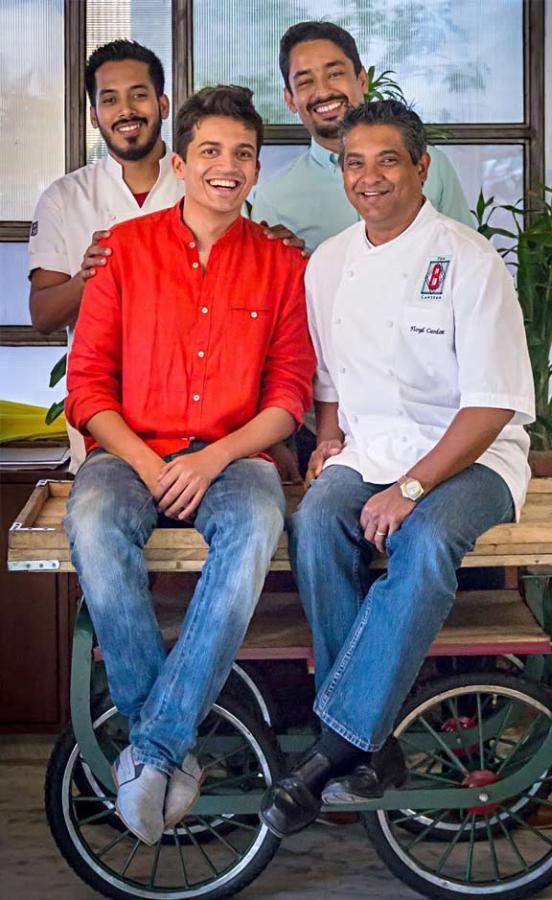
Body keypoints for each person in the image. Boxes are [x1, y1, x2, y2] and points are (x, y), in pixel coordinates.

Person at [260, 99, 535, 838]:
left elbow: (489, 407)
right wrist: (327, 442)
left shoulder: (469, 260)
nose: (370, 177)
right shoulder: (330, 263)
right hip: (370, 447)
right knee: (315, 520)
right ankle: (371, 749)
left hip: (472, 457)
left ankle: (337, 746)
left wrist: (412, 489)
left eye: (388, 160)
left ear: (420, 167)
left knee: (423, 541)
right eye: (355, 163)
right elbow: (330, 383)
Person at [63, 85, 316, 846]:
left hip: (234, 456)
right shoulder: (125, 252)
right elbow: (87, 387)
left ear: (257, 169)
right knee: (94, 517)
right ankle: (164, 744)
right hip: (129, 452)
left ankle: (153, 747)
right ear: (180, 162)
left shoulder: (280, 265)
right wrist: (144, 461)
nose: (226, 166)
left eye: (243, 153)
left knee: (257, 524)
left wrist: (213, 458)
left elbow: (291, 395)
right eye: (210, 150)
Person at [28, 40, 184, 472]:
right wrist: (86, 276)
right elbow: (42, 315)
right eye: (109, 99)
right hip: (104, 432)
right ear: (94, 115)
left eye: (139, 94)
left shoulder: (201, 184)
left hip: (196, 431)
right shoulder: (64, 198)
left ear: (163, 104)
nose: (126, 110)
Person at [251, 19, 474, 254]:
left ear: (361, 80)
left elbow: (467, 253)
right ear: (290, 99)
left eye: (335, 73)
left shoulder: (428, 163)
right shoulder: (273, 197)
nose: (324, 91)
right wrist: (291, 264)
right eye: (305, 81)